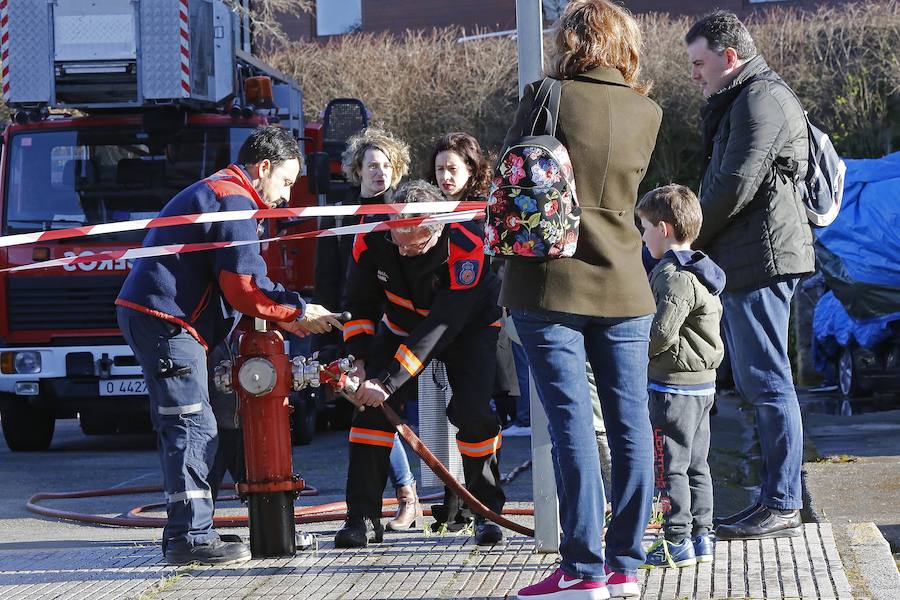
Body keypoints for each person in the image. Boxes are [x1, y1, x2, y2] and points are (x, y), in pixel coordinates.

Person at [116, 126, 342, 566]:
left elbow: (250, 280)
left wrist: (292, 309)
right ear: (263, 169)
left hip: (169, 320)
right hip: (167, 323)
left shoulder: (224, 193)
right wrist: (295, 314)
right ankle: (189, 539)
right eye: (286, 182)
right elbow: (242, 288)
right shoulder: (234, 200)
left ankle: (260, 523)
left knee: (222, 416)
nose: (287, 196)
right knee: (191, 425)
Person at [509, 2, 662, 599]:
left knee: (570, 424)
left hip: (549, 279)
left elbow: (517, 170)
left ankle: (582, 568)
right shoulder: (646, 111)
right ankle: (625, 561)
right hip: (625, 278)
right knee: (630, 425)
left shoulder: (547, 94)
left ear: (570, 40)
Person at [685, 10, 813, 540]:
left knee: (767, 380)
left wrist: (683, 231)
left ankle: (782, 501)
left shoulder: (759, 98)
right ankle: (775, 496)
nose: (695, 74)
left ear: (729, 57)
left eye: (699, 63)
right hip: (752, 255)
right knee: (762, 381)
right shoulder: (749, 97)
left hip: (762, 258)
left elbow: (734, 184)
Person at [335, 179, 506, 548]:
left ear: (438, 229)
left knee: (473, 413)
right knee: (370, 412)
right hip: (400, 324)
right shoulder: (371, 236)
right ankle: (361, 519)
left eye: (418, 245)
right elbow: (358, 303)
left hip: (466, 327)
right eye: (400, 242)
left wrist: (389, 380)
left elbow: (440, 326)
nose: (407, 253)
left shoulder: (468, 243)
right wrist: (361, 362)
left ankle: (487, 513)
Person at [311, 127, 421, 531]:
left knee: (374, 405)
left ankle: (407, 496)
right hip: (350, 323)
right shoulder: (340, 215)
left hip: (394, 327)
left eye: (387, 165)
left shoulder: (406, 212)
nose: (380, 172)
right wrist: (327, 331)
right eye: (372, 165)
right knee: (364, 406)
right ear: (357, 170)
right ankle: (403, 497)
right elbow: (327, 278)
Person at [635, 184, 725, 568]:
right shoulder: (703, 268)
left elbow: (660, 332)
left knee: (670, 465)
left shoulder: (673, 275)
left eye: (644, 228)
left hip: (674, 387)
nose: (642, 237)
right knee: (697, 463)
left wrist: (632, 354)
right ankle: (702, 536)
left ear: (664, 229)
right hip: (702, 385)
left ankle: (676, 540)